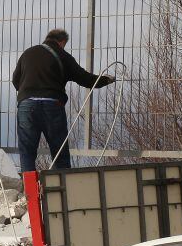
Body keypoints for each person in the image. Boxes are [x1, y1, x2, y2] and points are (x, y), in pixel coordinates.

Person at [11, 28, 115, 172]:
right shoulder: (63, 55)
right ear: (62, 42)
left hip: (27, 105)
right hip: (52, 105)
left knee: (27, 151)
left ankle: (30, 191)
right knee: (59, 151)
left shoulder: (28, 53)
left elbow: (15, 81)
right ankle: (62, 189)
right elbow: (85, 79)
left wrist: (28, 92)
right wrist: (106, 80)